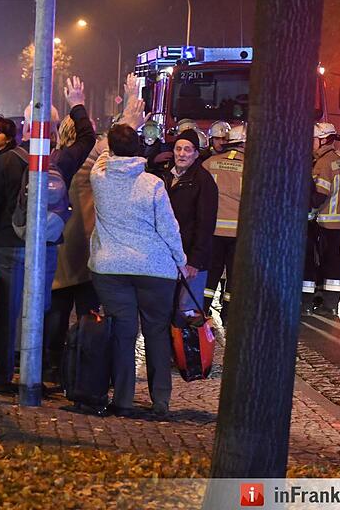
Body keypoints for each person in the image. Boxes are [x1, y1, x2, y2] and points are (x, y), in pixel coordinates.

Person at [0, 77, 94, 393]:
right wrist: (77, 103)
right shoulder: (61, 160)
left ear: (26, 126)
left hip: (10, 245)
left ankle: (3, 375)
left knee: (7, 312)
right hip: (46, 247)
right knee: (39, 311)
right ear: (54, 131)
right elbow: (88, 137)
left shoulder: (8, 160)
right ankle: (34, 376)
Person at [89, 124, 193, 418]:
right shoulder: (152, 184)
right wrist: (180, 258)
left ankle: (122, 400)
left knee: (123, 334)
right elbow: (169, 228)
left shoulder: (100, 177)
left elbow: (102, 155)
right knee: (156, 333)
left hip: (110, 267)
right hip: (154, 269)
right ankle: (160, 401)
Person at [46, 96, 147, 387]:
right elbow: (109, 150)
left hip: (60, 249)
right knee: (90, 315)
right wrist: (129, 115)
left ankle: (52, 370)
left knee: (56, 312)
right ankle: (86, 371)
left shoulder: (56, 160)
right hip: (88, 250)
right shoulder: (90, 164)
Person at [159, 129, 218, 324]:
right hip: (168, 255)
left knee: (186, 313)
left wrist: (195, 260)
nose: (182, 153)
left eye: (187, 149)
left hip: (191, 259)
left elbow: (205, 223)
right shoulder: (167, 177)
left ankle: (186, 353)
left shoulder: (203, 181)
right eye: (178, 149)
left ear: (195, 154)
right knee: (166, 309)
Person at [305, 122, 340, 318]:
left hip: (323, 222)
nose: (311, 143)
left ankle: (311, 302)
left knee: (318, 262)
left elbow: (319, 196)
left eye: (313, 139)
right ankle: (330, 303)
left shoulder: (323, 163)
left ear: (323, 140)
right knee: (332, 261)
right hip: (337, 222)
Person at [202, 124, 246, 316]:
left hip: (213, 231)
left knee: (211, 271)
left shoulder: (209, 163)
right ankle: (229, 312)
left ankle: (202, 308)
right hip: (239, 233)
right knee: (235, 275)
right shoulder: (252, 167)